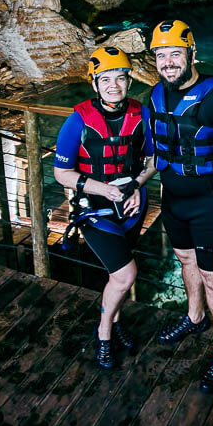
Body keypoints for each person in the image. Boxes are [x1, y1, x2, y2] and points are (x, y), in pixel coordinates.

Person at [149, 19, 213, 393]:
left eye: (176, 53)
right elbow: (161, 149)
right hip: (174, 200)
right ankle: (194, 317)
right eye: (161, 55)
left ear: (192, 54)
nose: (168, 62)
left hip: (210, 203)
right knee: (186, 261)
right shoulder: (156, 94)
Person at [54, 46, 156, 370]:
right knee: (126, 274)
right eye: (106, 79)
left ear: (129, 81)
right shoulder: (77, 121)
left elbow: (153, 160)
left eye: (121, 78)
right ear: (94, 83)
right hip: (95, 209)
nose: (114, 85)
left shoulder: (142, 115)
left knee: (117, 277)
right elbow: (62, 173)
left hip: (131, 206)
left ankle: (114, 321)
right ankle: (103, 335)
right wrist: (105, 190)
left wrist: (136, 186)